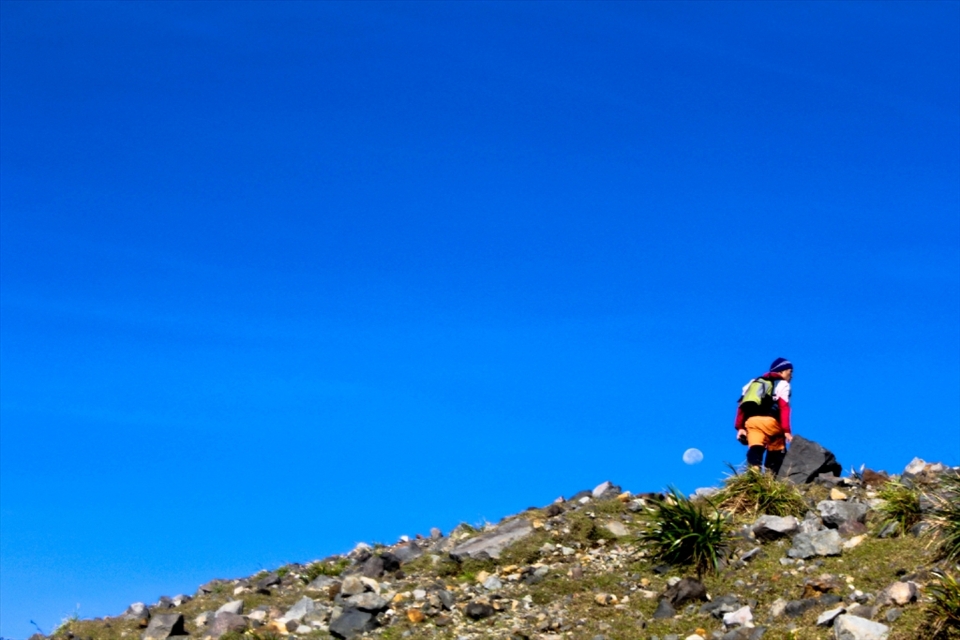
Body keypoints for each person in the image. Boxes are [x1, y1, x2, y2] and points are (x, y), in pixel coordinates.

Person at [735, 357, 794, 473]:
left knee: (755, 448)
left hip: (752, 422)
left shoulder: (752, 383)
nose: (791, 376)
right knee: (776, 450)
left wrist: (740, 427)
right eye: (790, 372)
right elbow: (784, 407)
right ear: (781, 371)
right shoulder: (782, 384)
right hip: (771, 422)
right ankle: (771, 478)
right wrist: (786, 431)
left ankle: (754, 475)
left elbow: (741, 406)